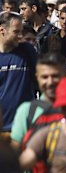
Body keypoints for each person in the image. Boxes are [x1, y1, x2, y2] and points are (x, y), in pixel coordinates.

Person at [10, 53, 66, 149]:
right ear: (37, 77)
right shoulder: (26, 111)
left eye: (55, 76)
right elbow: (15, 151)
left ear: (65, 75)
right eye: (44, 77)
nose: (50, 82)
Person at [0, 12, 38, 143]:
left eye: (21, 31)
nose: (21, 36)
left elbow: (39, 81)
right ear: (2, 30)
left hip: (26, 127)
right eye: (16, 32)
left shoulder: (27, 51)